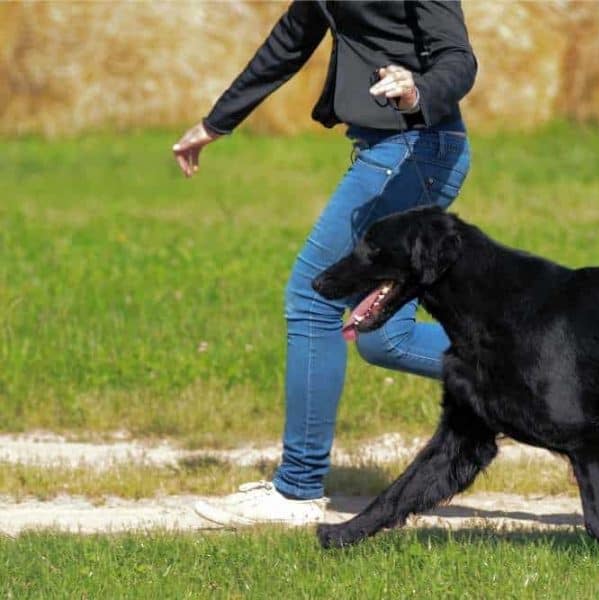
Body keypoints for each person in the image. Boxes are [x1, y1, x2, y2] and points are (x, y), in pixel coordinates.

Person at [172, 1, 476, 526]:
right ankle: (537, 377)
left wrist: (418, 91)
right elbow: (289, 42)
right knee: (386, 338)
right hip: (394, 150)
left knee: (313, 298)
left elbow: (458, 57)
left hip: (415, 150)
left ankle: (297, 490)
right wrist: (216, 123)